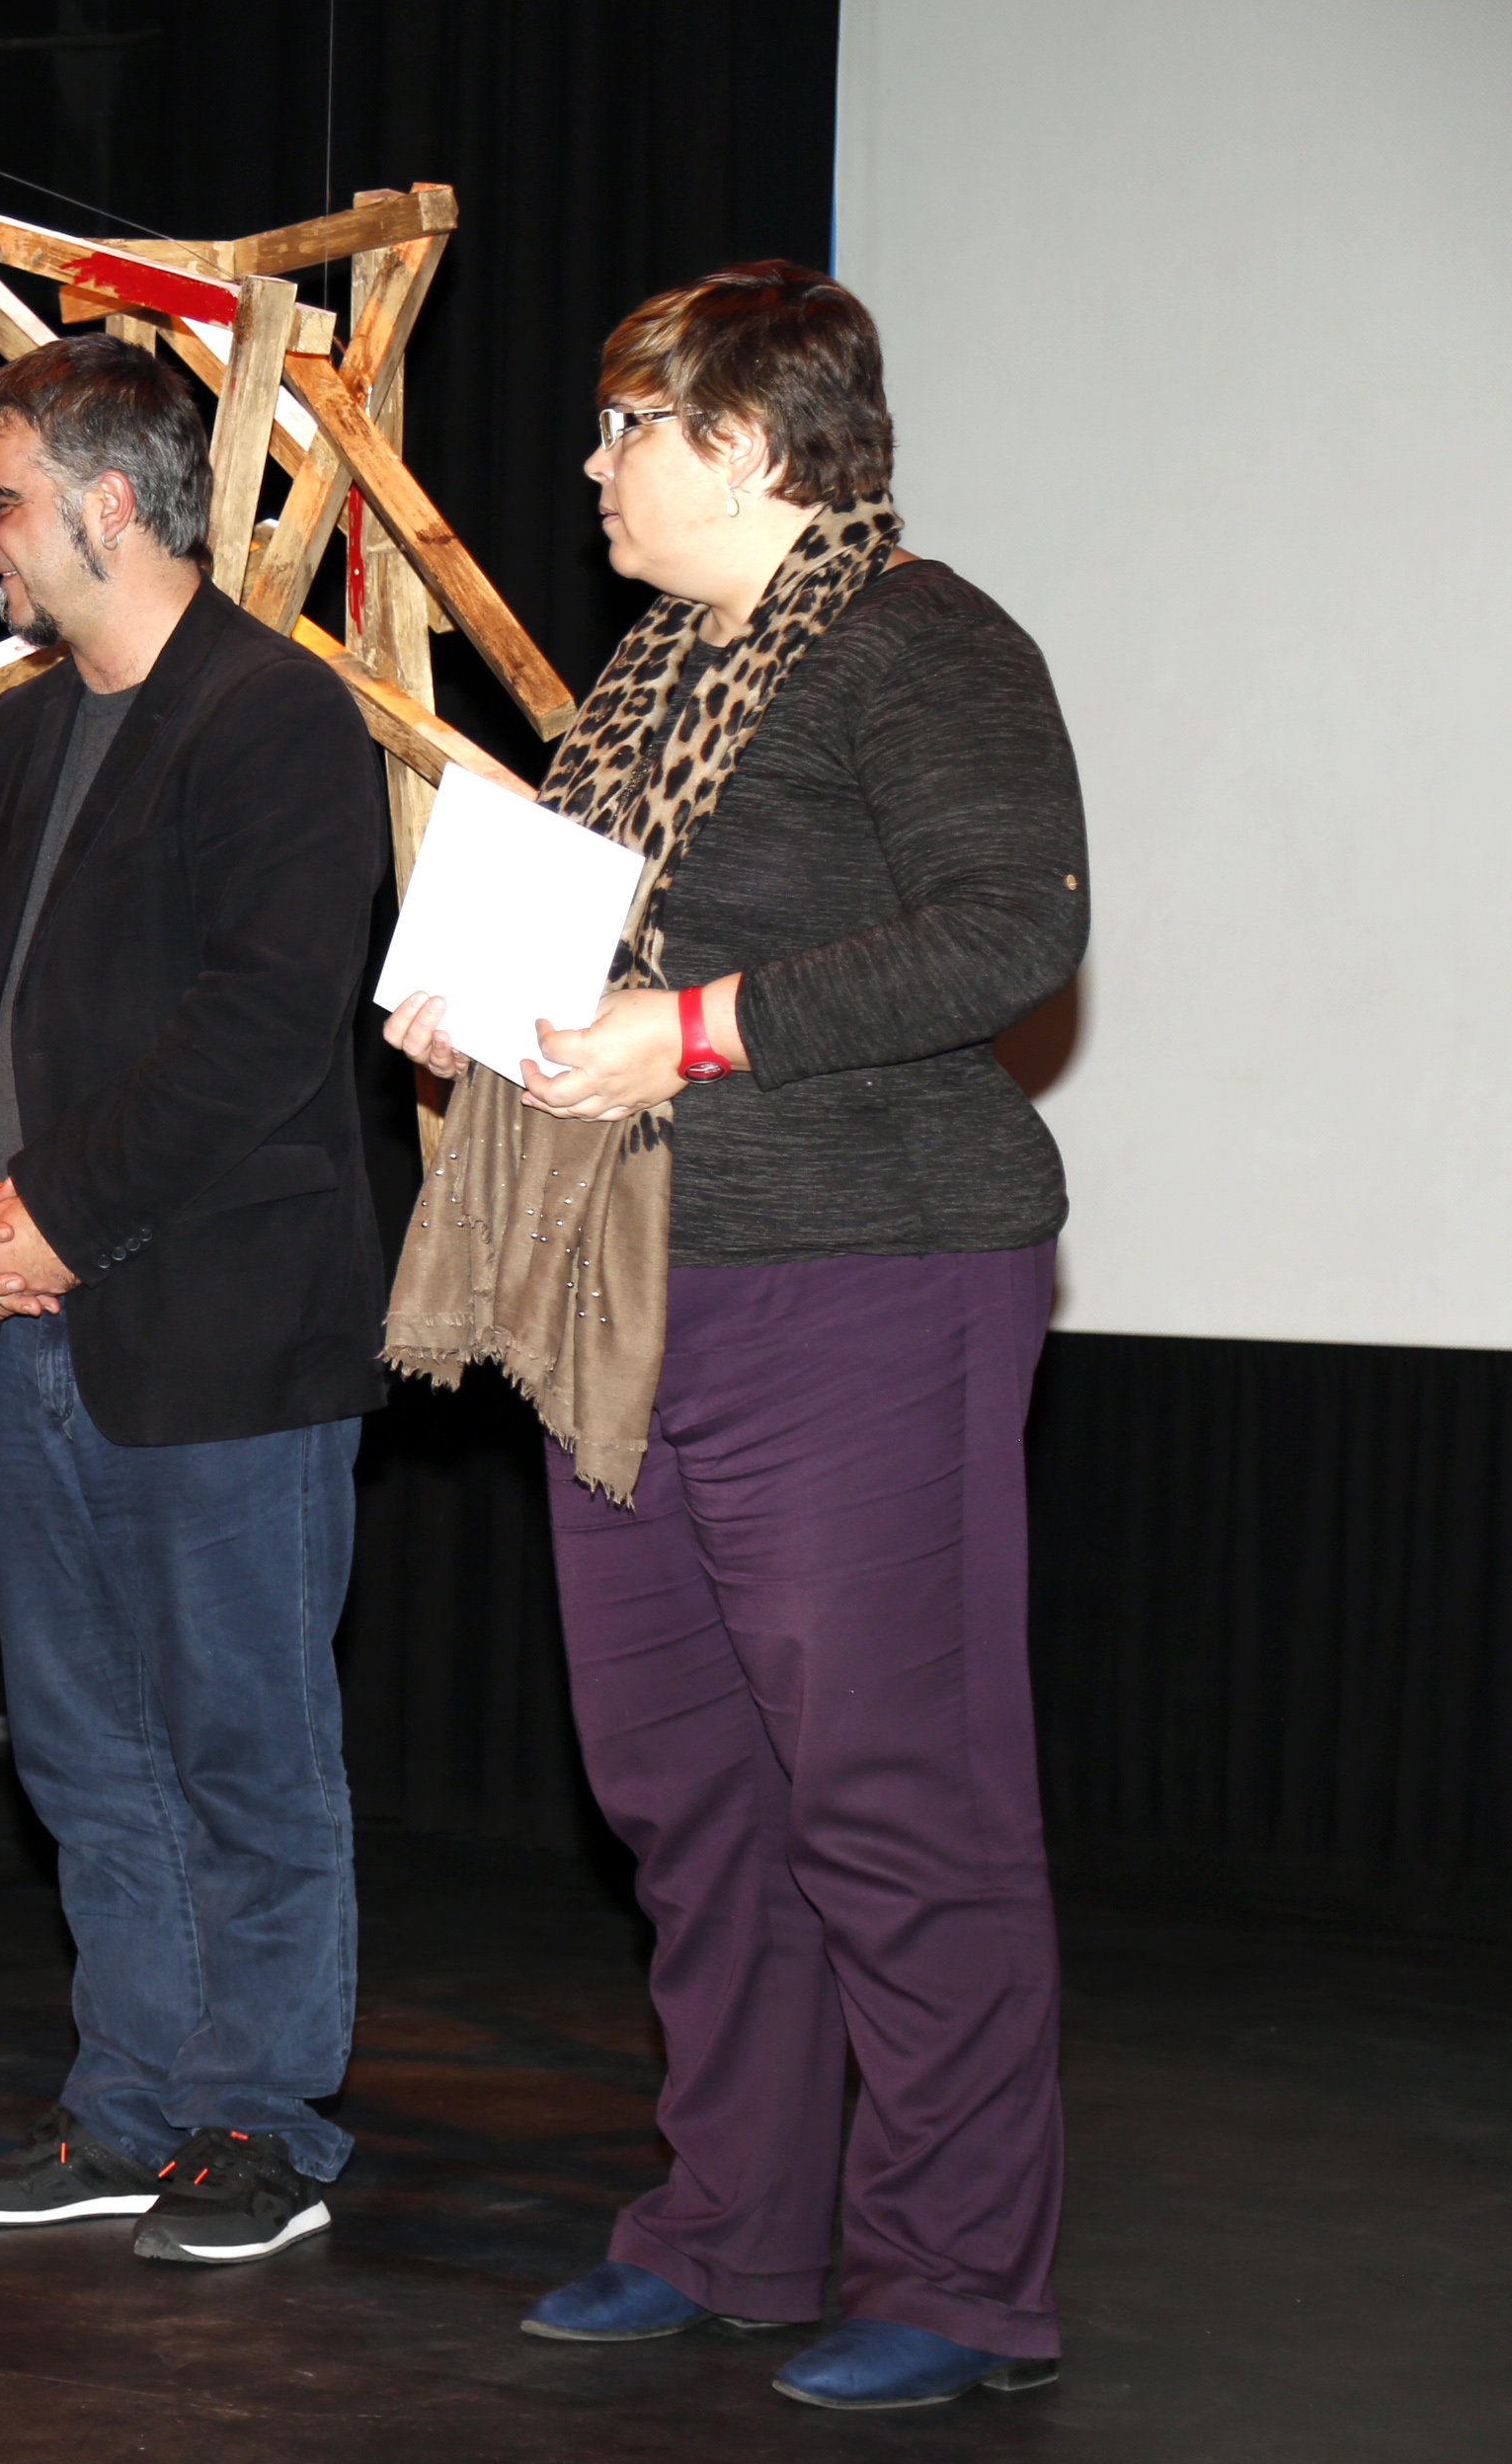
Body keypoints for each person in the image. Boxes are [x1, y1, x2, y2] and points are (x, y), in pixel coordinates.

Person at [381, 262, 1084, 2413]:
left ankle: (959, 2273)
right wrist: (481, 1010)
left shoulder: (921, 643)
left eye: (631, 427)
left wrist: (689, 1029)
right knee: (688, 1793)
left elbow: (1013, 925)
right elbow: (592, 953)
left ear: (753, 447)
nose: (592, 463)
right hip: (635, 1285)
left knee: (891, 1793)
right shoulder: (654, 674)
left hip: (868, 1276)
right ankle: (733, 2224)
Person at [0, 336, 388, 2265]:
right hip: (36, 1318)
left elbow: (261, 1029)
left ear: (112, 504)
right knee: (87, 1753)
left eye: (0, 501)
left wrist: (56, 1212)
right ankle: (128, 2111)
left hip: (220, 1328)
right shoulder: (24, 732)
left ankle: (257, 2122)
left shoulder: (277, 715)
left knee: (243, 1747)